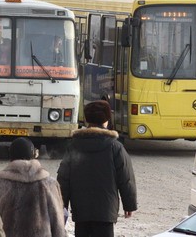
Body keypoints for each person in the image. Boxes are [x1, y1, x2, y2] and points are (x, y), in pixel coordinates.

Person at [57, 100, 137, 237]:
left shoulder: (74, 146)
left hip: (81, 210)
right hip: (105, 212)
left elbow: (64, 177)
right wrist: (129, 205)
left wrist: (61, 203)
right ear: (106, 119)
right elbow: (125, 177)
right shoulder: (115, 147)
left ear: (87, 120)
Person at [0, 137, 66, 237]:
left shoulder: (1, 183)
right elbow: (57, 222)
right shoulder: (49, 183)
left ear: (11, 155)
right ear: (34, 154)